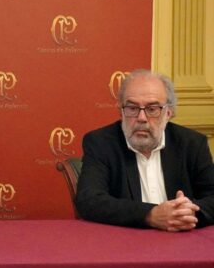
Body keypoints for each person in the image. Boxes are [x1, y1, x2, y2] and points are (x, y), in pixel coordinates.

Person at [75, 69, 214, 231]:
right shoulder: (101, 143)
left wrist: (186, 213)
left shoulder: (192, 144)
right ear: (121, 111)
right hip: (125, 243)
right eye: (132, 108)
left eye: (152, 109)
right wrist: (150, 214)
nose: (141, 118)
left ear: (168, 113)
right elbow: (89, 200)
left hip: (182, 241)